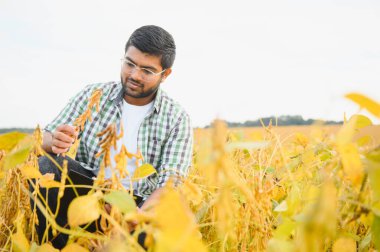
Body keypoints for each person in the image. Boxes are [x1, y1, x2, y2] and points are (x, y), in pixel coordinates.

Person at [31, 25, 193, 249]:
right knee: (45, 165)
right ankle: (56, 245)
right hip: (89, 188)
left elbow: (170, 183)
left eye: (146, 71)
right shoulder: (93, 95)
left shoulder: (176, 118)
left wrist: (135, 215)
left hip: (137, 204)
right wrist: (53, 140)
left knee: (160, 230)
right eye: (130, 64)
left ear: (165, 74)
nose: (134, 75)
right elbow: (43, 138)